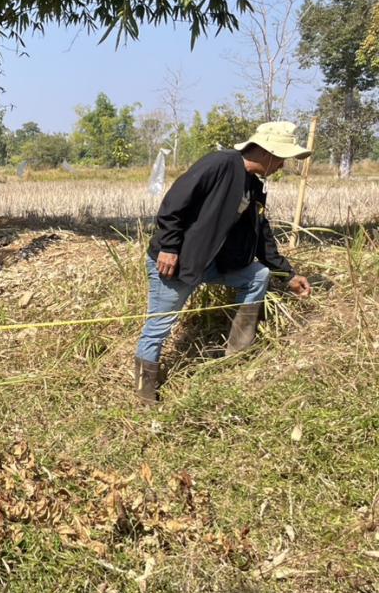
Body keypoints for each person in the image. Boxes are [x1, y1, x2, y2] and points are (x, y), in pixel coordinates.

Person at [134, 120, 313, 403]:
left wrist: (287, 274)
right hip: (177, 262)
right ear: (267, 152)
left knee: (257, 275)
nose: (282, 165)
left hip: (211, 264)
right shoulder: (220, 163)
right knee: (159, 327)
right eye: (281, 158)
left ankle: (236, 356)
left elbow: (261, 234)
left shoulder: (254, 185)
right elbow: (174, 203)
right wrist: (168, 246)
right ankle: (144, 396)